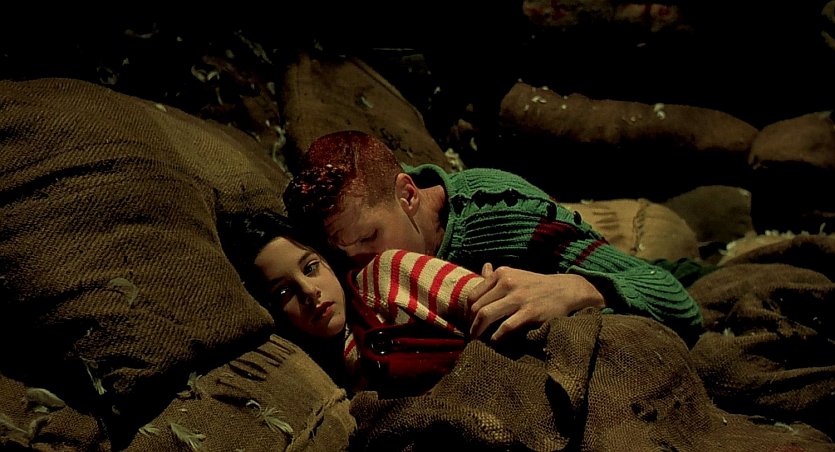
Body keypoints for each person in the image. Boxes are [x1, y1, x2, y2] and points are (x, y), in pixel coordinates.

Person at [282, 130, 704, 345]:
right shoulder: (351, 221)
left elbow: (678, 304)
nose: (360, 260)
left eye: (369, 238)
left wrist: (577, 288)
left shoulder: (508, 213)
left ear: (408, 195)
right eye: (343, 251)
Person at [219, 210, 486, 395]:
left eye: (311, 268)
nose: (309, 291)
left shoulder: (387, 273)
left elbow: (490, 300)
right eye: (284, 292)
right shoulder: (317, 376)